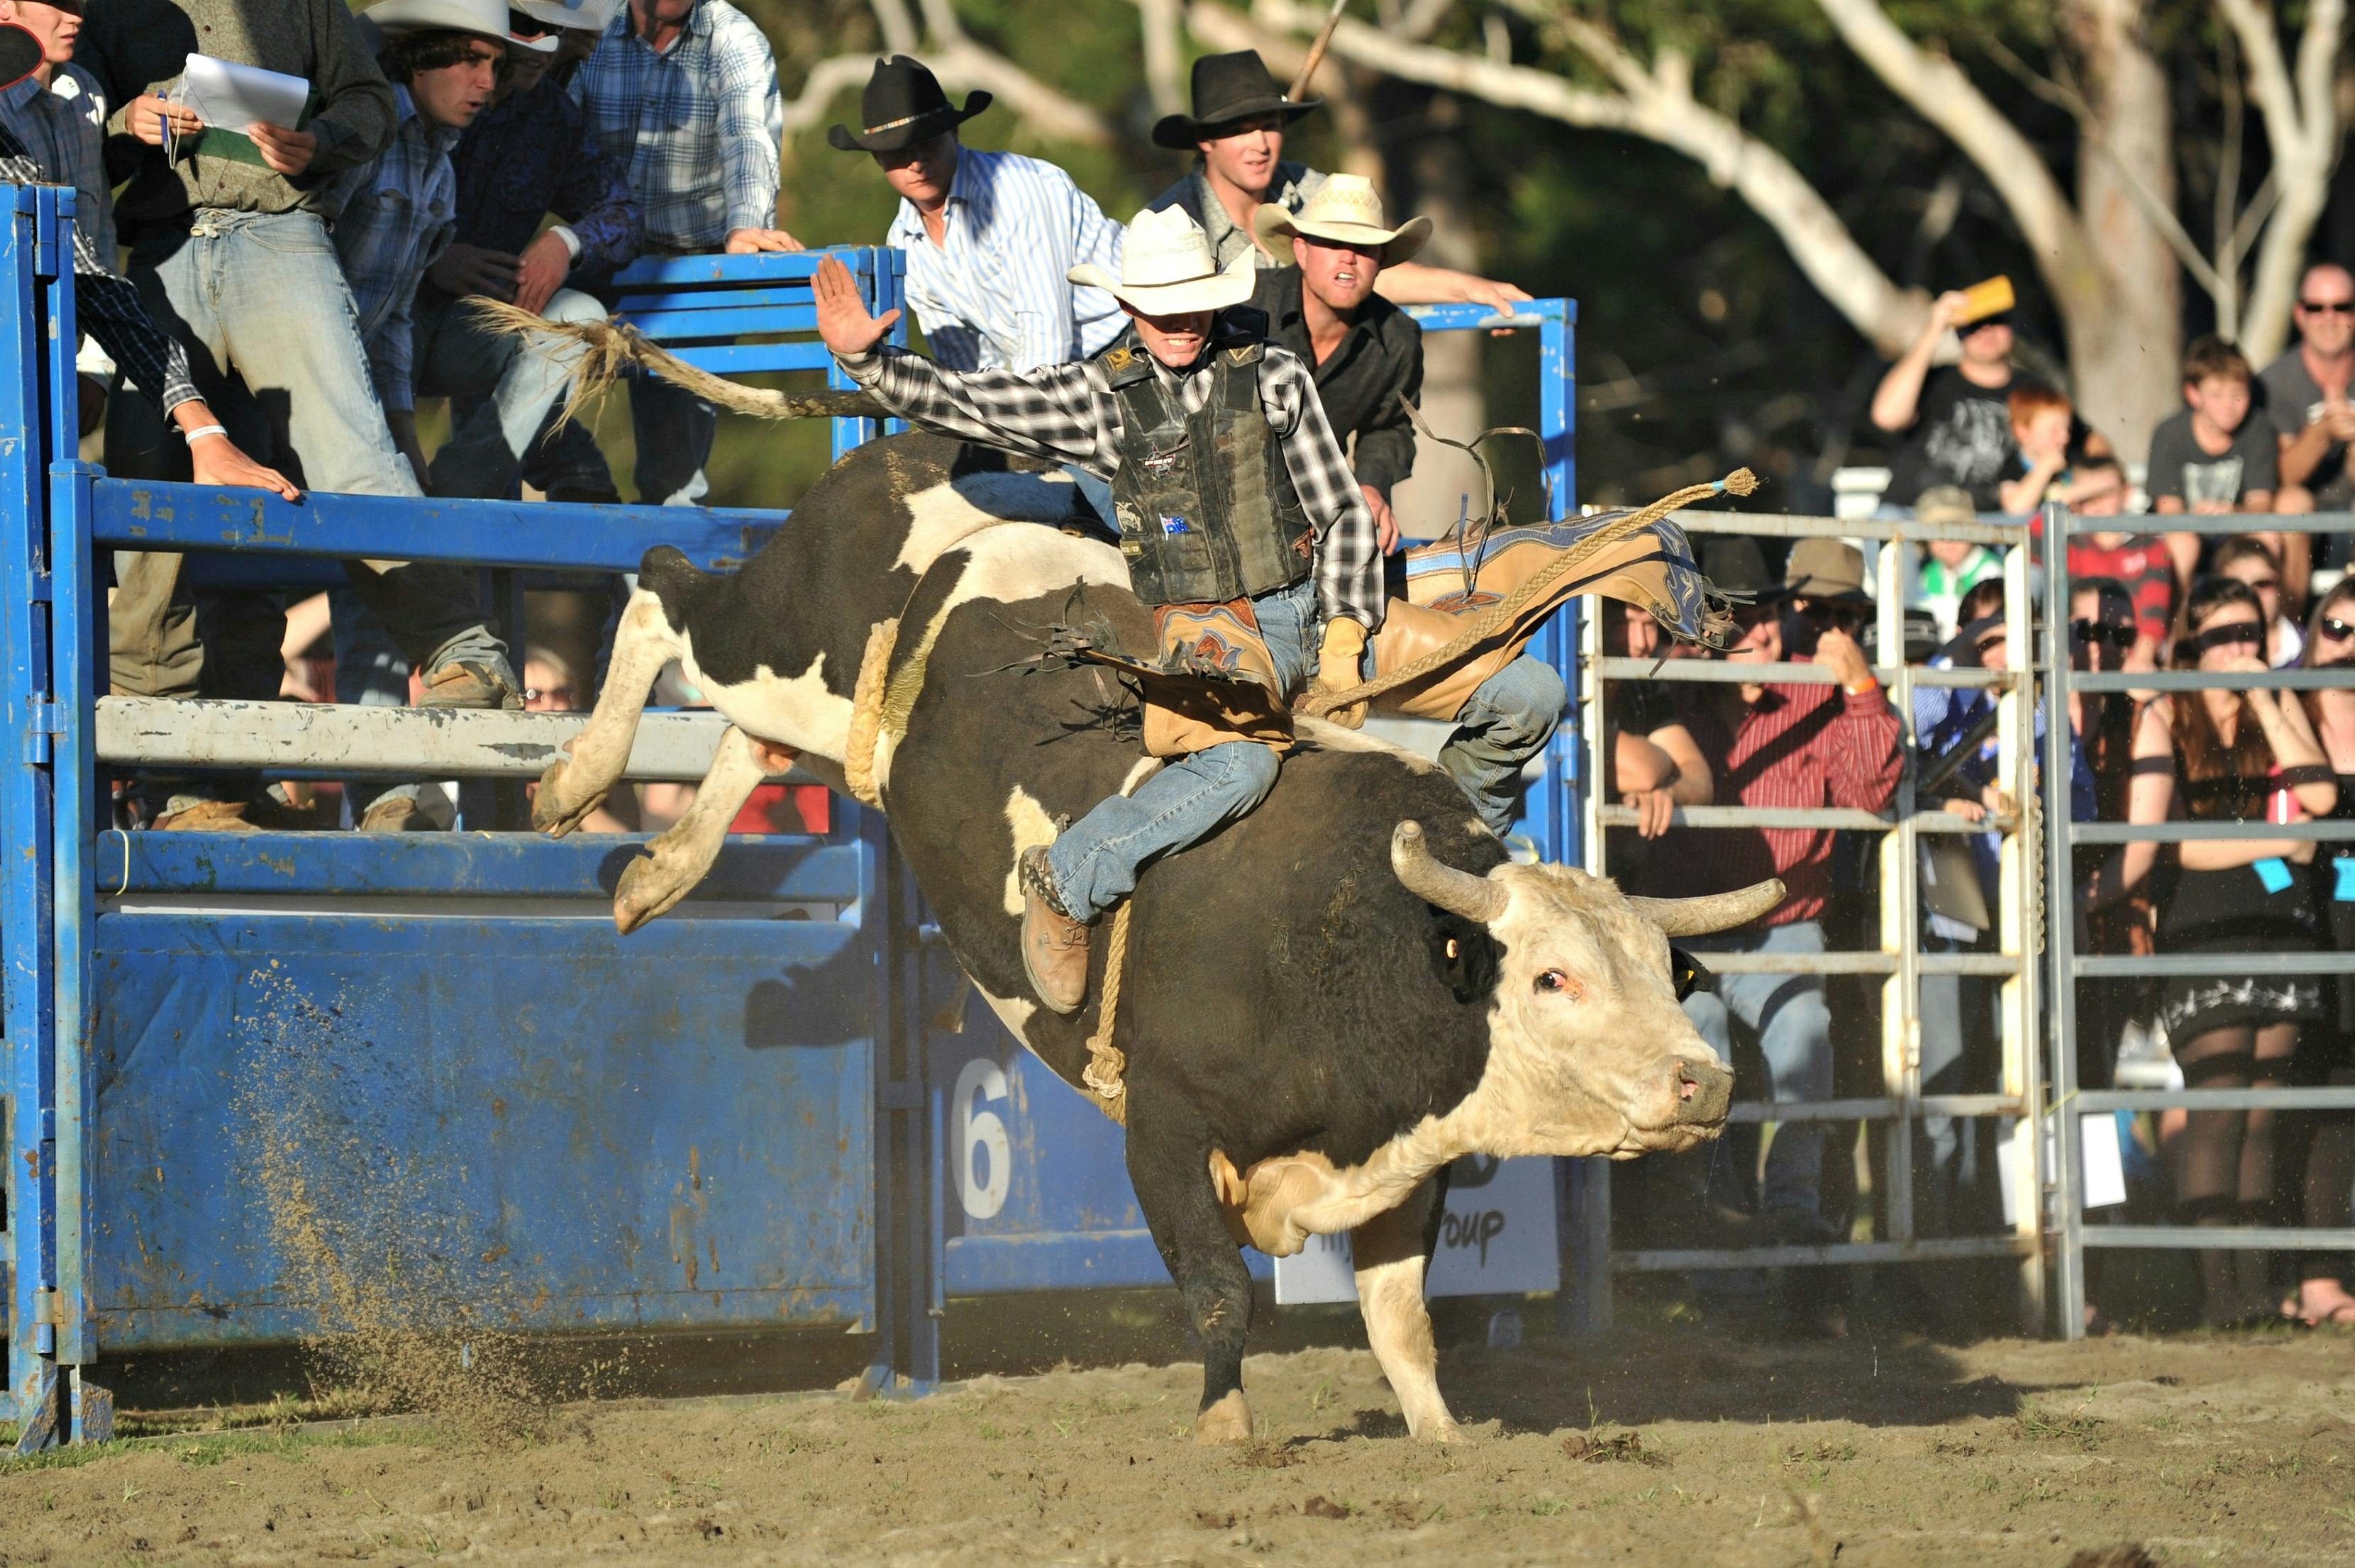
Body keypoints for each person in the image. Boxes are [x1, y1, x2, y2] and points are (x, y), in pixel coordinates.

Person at [811, 207, 1383, 1014]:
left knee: (1517, 697)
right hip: (1210, 628)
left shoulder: (1276, 376)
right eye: (1159, 304)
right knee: (1241, 764)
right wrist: (871, 363)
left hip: (1321, 606)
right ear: (1128, 308)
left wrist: (1348, 634)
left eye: (1191, 300)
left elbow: (1342, 515)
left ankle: (1459, 918)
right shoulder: (1097, 397)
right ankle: (1070, 878)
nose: (1180, 321)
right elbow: (976, 404)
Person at [76, 0, 523, 833]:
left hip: (276, 230)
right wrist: (123, 123)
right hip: (158, 254)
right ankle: (188, 782)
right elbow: (70, 127)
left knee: (347, 453)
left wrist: (319, 142)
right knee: (152, 514)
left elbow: (364, 99)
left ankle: (465, 651)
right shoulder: (107, 11)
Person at [1633, 535, 1903, 1253]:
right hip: (1683, 934)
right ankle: (1716, 1226)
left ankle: (1789, 1212)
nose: (1755, 633)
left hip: (1779, 924)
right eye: (1734, 619)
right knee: (1703, 1057)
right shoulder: (1668, 686)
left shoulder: (1811, 691)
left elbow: (1870, 794)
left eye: (1766, 617)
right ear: (1707, 627)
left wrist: (1860, 689)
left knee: (1804, 1045)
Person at [2125, 574, 2335, 1328]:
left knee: (2262, 1112)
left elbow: (2316, 797)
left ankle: (2257, 1290)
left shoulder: (2270, 711)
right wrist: (2277, 843)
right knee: (2216, 1108)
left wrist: (2267, 701)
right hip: (2201, 933)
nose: (2235, 648)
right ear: (2191, 644)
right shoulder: (2163, 713)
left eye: (2248, 633)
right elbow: (2169, 845)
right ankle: (2219, 1298)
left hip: (2276, 930)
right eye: (2219, 636)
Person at [0, 0, 292, 495]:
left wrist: (199, 425)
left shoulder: (74, 105)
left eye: (81, 3)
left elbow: (83, 260)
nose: (76, 17)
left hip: (33, 381)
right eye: (57, 2)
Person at [420, 0, 641, 505]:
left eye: (560, 30)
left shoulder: (551, 117)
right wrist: (436, 258)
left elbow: (624, 213)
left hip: (475, 329)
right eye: (529, 26)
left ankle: (460, 491)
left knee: (579, 315)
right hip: (392, 318)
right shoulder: (417, 92)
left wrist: (565, 242)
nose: (547, 44)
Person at [573, 0, 790, 505]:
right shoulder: (588, 24)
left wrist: (746, 227)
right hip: (596, 260)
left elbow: (748, 139)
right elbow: (548, 120)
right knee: (502, 378)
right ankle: (578, 480)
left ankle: (652, 577)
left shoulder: (733, 38)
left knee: (672, 479)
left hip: (692, 270)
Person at [1146, 50, 1526, 313]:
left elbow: (1361, 269)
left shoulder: (1309, 187)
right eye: (1239, 131)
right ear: (1204, 140)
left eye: (1270, 126)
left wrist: (1470, 290)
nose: (1259, 145)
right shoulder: (1169, 223)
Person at [833, 54, 1122, 375]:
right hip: (1061, 372)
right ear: (878, 159)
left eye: (925, 142)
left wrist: (1018, 412)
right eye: (897, 151)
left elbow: (1047, 331)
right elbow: (966, 361)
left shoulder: (1016, 189)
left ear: (953, 134)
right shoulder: (904, 243)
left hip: (1131, 345)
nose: (915, 162)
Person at [1247, 174, 1431, 552]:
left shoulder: (1397, 338)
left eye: (1365, 247)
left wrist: (1371, 487)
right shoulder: (1243, 308)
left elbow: (1390, 427)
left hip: (1315, 519)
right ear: (1301, 251)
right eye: (1332, 243)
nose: (1349, 257)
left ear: (1380, 261)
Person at [2291, 585, 2355, 1326]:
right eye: (2334, 626)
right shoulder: (2288, 714)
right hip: (2305, 929)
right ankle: (2308, 1279)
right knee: (2311, 1101)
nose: (2346, 642)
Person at [1869, 287, 2026, 511]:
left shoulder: (2036, 390)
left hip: (1989, 526)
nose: (1987, 330)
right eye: (1973, 325)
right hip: (1912, 517)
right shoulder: (1932, 380)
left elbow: (2086, 450)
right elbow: (1886, 417)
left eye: (1997, 320)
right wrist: (1934, 329)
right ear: (1958, 332)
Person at [2263, 262, 2355, 523]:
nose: (2329, 317)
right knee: (2293, 504)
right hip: (2301, 521)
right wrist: (2324, 431)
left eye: (2342, 307)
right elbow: (2282, 477)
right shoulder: (2271, 384)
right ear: (2300, 315)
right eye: (2316, 308)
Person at [2063, 455, 2175, 668]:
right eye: (2087, 496)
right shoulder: (2069, 547)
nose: (2096, 503)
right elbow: (2032, 536)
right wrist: (2069, 496)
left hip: (2133, 658)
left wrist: (2140, 661)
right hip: (2080, 657)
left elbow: (2154, 615)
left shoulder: (2150, 547)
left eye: (2105, 494)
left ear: (2127, 493)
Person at [1912, 485, 2002, 638]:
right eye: (1940, 533)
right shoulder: (1929, 574)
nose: (1950, 541)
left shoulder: (1990, 571)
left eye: (1958, 529)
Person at [2212, 534, 2303, 669]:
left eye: (2263, 583)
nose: (2252, 594)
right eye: (2239, 588)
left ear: (2280, 585)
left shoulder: (2312, 648)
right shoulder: (2208, 653)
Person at [1998, 384, 2074, 515]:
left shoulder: (2072, 459)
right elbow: (2016, 508)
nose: (2065, 437)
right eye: (2054, 430)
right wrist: (2046, 467)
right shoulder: (2011, 467)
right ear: (2023, 432)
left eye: (2067, 429)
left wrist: (2072, 493)